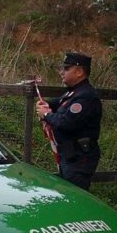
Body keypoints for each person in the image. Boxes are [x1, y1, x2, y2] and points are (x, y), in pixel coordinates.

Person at [36, 53, 102, 190]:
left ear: (79, 72)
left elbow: (66, 123)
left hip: (79, 158)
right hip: (69, 155)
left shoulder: (86, 96)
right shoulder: (72, 93)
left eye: (66, 69)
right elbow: (59, 104)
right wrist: (46, 105)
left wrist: (46, 114)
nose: (62, 72)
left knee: (75, 197)